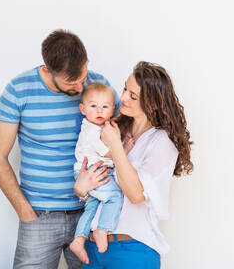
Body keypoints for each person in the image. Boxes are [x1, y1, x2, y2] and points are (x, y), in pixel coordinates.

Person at [0, 30, 120, 269]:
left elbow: (128, 135)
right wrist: (25, 211)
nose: (81, 87)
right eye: (72, 83)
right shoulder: (19, 90)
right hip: (39, 215)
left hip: (91, 211)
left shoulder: (98, 87)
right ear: (48, 70)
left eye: (83, 76)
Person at [73, 61, 194, 268]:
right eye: (125, 89)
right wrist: (81, 189)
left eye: (133, 96)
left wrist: (116, 146)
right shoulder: (113, 128)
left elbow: (136, 195)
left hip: (132, 251)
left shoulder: (162, 142)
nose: (123, 98)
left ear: (153, 104)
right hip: (93, 249)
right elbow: (97, 182)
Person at [69, 83, 124, 264]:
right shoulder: (91, 130)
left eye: (105, 106)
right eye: (93, 106)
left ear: (113, 109)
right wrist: (123, 147)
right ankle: (102, 229)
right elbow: (109, 153)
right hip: (90, 174)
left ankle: (79, 239)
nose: (99, 110)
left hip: (91, 173)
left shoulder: (99, 126)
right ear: (82, 109)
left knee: (92, 207)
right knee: (114, 196)